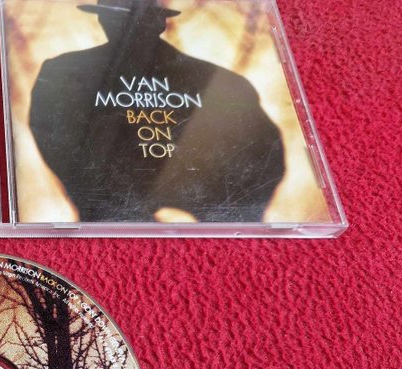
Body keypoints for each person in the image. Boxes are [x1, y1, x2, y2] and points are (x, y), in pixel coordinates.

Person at [28, 0, 286, 222]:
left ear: (160, 23)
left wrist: (216, 219)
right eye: (115, 18)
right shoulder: (63, 73)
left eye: (134, 19)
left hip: (207, 230)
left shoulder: (223, 85)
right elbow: (56, 139)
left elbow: (261, 155)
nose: (125, 27)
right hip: (109, 223)